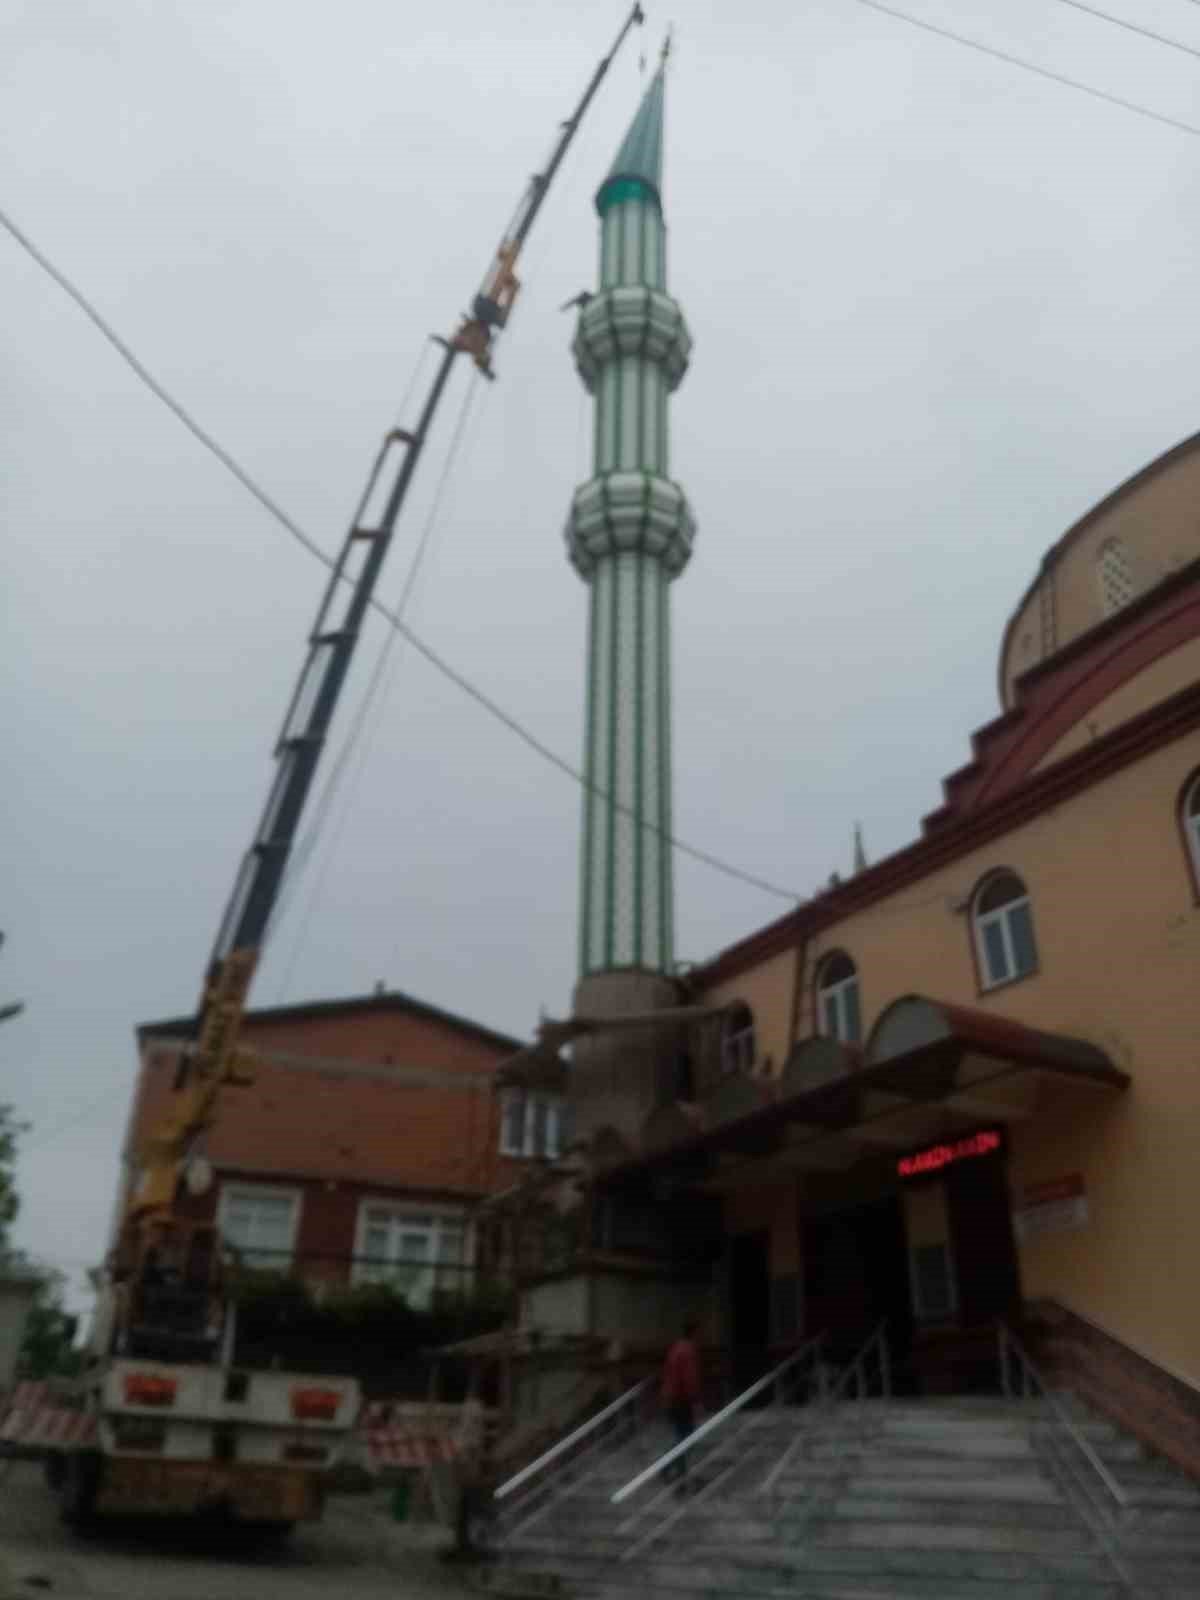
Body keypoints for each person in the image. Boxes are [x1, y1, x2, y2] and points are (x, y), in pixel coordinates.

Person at [660, 1317, 702, 1494]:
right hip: (681, 1399)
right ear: (694, 1333)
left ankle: (677, 1470)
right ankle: (670, 1467)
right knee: (686, 1437)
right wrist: (696, 1400)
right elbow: (689, 1378)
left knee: (681, 1435)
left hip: (671, 1397)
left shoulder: (676, 1348)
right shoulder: (688, 1350)